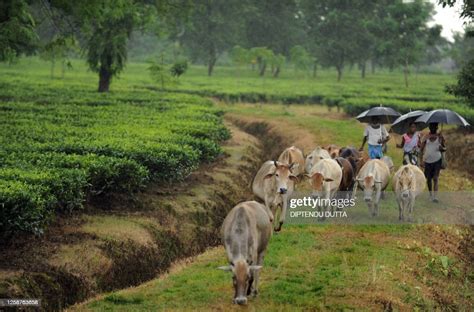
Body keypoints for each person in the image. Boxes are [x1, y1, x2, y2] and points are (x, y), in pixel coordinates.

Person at [420, 123, 446, 203]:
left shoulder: (440, 137)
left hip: (437, 160)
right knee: (428, 179)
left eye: (434, 126)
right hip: (427, 161)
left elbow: (445, 148)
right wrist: (421, 160)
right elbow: (421, 149)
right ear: (429, 127)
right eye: (431, 126)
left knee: (435, 178)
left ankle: (435, 197)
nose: (433, 128)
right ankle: (430, 195)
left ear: (437, 127)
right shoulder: (426, 137)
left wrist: (442, 148)